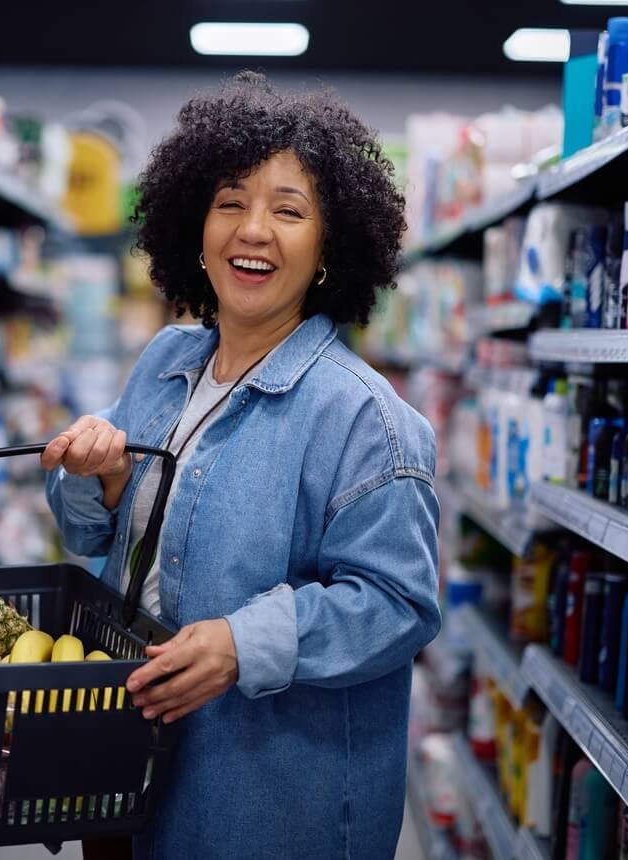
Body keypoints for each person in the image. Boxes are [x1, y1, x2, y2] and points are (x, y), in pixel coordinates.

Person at [42, 71, 440, 859]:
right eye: (230, 202)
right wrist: (99, 479)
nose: (252, 230)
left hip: (267, 804)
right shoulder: (164, 361)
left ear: (330, 248)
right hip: (130, 773)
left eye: (289, 211)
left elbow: (399, 604)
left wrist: (242, 643)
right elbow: (91, 538)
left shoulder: (364, 417)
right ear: (194, 226)